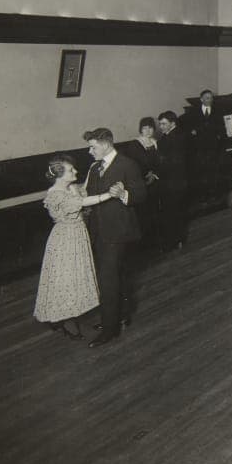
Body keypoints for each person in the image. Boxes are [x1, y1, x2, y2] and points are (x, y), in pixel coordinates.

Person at [34, 154, 114, 340]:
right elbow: (82, 202)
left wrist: (93, 169)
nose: (75, 171)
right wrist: (110, 194)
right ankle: (64, 319)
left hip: (78, 235)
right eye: (71, 170)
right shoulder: (55, 194)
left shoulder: (71, 187)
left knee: (75, 277)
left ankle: (69, 314)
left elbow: (84, 189)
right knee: (65, 278)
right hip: (65, 239)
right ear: (60, 175)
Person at [82, 127, 147, 348]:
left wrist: (124, 194)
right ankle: (121, 315)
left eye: (93, 147)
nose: (90, 151)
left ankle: (109, 329)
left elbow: (141, 194)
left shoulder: (127, 164)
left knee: (108, 278)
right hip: (99, 230)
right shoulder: (94, 167)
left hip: (119, 230)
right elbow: (89, 194)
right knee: (117, 274)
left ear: (105, 144)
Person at [124, 117, 162, 249]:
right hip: (142, 182)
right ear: (140, 130)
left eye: (150, 128)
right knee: (145, 213)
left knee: (157, 211)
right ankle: (146, 244)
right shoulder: (135, 144)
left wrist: (155, 174)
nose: (148, 131)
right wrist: (147, 174)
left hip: (156, 180)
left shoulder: (156, 143)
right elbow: (135, 165)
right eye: (145, 128)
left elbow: (161, 162)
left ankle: (157, 241)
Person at [155, 110, 188, 251]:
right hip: (173, 181)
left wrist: (157, 171)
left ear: (172, 123)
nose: (161, 126)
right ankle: (177, 239)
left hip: (173, 182)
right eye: (160, 124)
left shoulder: (175, 138)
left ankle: (175, 241)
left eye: (164, 124)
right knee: (174, 211)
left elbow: (174, 162)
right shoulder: (168, 137)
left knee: (173, 212)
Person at [186, 89, 225, 205]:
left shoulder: (217, 111)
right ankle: (201, 196)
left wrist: (218, 137)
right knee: (201, 173)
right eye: (207, 98)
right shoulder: (193, 112)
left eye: (211, 98)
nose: (210, 100)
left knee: (212, 172)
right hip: (199, 149)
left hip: (213, 148)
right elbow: (188, 126)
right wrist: (192, 132)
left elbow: (221, 128)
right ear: (201, 99)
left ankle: (212, 195)